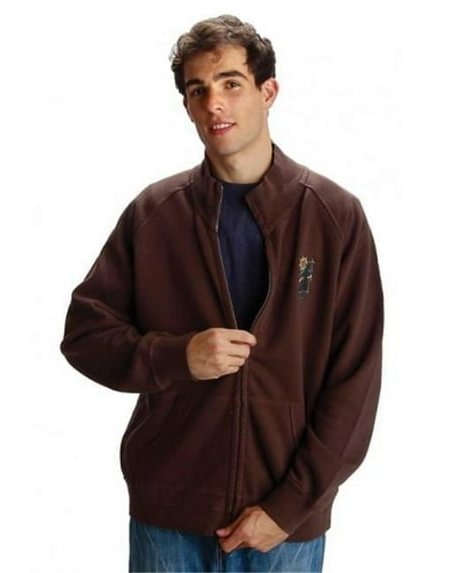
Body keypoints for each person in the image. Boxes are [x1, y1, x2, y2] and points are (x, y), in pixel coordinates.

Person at [60, 14, 384, 573]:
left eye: (231, 83)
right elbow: (85, 335)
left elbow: (355, 379)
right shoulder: (155, 214)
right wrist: (176, 356)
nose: (214, 103)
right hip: (169, 514)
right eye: (197, 90)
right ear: (187, 106)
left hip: (284, 528)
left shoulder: (333, 217)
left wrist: (289, 507)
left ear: (268, 92)